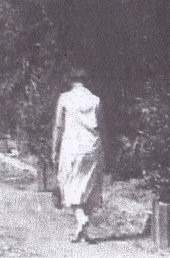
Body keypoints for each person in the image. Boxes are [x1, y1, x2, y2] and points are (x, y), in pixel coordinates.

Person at [52, 67, 104, 243]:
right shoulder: (95, 100)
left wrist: (54, 149)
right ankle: (82, 232)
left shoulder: (65, 98)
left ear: (70, 81)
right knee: (88, 187)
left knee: (68, 185)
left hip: (72, 147)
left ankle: (81, 218)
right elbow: (101, 125)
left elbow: (58, 126)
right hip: (92, 146)